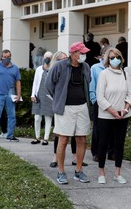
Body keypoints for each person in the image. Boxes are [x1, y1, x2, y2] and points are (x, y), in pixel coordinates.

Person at [45, 42, 91, 184]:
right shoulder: (60, 66)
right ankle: (61, 172)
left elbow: (88, 82)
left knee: (81, 139)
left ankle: (78, 171)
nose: (83, 55)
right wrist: (58, 99)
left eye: (84, 53)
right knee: (63, 140)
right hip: (65, 108)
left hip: (82, 107)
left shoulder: (85, 67)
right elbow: (49, 84)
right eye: (81, 53)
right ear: (73, 53)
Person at [96, 47, 131, 184]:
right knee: (103, 144)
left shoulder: (125, 74)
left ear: (121, 58)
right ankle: (101, 172)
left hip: (123, 115)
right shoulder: (104, 74)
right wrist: (113, 112)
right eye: (111, 58)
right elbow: (100, 97)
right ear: (107, 60)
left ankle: (117, 173)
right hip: (106, 115)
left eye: (117, 57)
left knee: (119, 144)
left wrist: (124, 110)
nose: (115, 60)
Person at [0, 49, 21, 142]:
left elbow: (18, 82)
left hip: (11, 94)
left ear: (10, 57)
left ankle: (10, 135)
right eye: (4, 57)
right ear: (1, 57)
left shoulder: (15, 68)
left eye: (8, 57)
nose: (6, 59)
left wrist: (18, 94)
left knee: (12, 116)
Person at [31, 51, 53, 145]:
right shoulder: (39, 69)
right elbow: (35, 82)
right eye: (46, 57)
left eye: (49, 57)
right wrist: (33, 94)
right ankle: (37, 137)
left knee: (48, 118)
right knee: (37, 117)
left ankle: (46, 138)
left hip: (49, 96)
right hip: (39, 95)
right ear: (43, 58)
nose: (47, 59)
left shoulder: (53, 69)